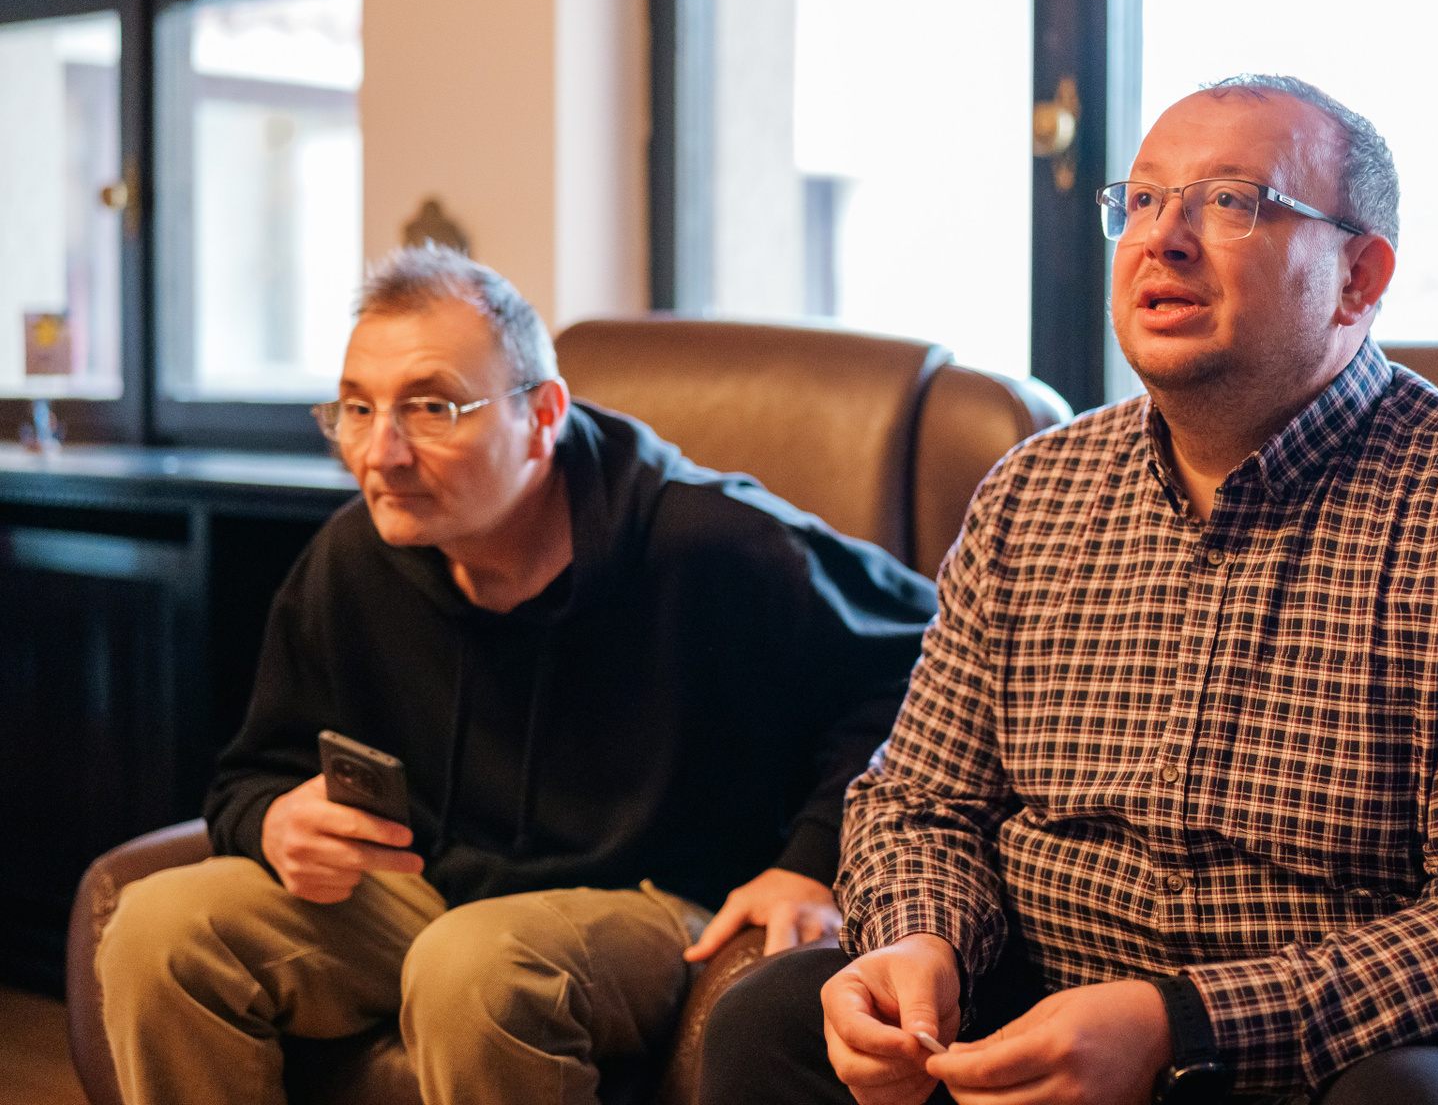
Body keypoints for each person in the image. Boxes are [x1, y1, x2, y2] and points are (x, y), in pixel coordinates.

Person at [700, 76, 1438, 1105]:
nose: (1163, 237)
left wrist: (1182, 1024)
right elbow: (919, 800)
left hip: (1342, 1053)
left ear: (1358, 276)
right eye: (1144, 199)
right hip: (1051, 1001)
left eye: (1231, 201)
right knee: (772, 1023)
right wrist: (920, 943)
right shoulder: (1033, 490)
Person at [95, 244, 936, 1105]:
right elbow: (253, 770)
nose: (381, 453)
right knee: (158, 931)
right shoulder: (351, 558)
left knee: (476, 968)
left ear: (542, 415)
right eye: (356, 408)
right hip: (424, 888)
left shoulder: (711, 543)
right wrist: (272, 820)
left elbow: (921, 664)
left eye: (430, 407)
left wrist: (811, 858)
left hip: (658, 899)